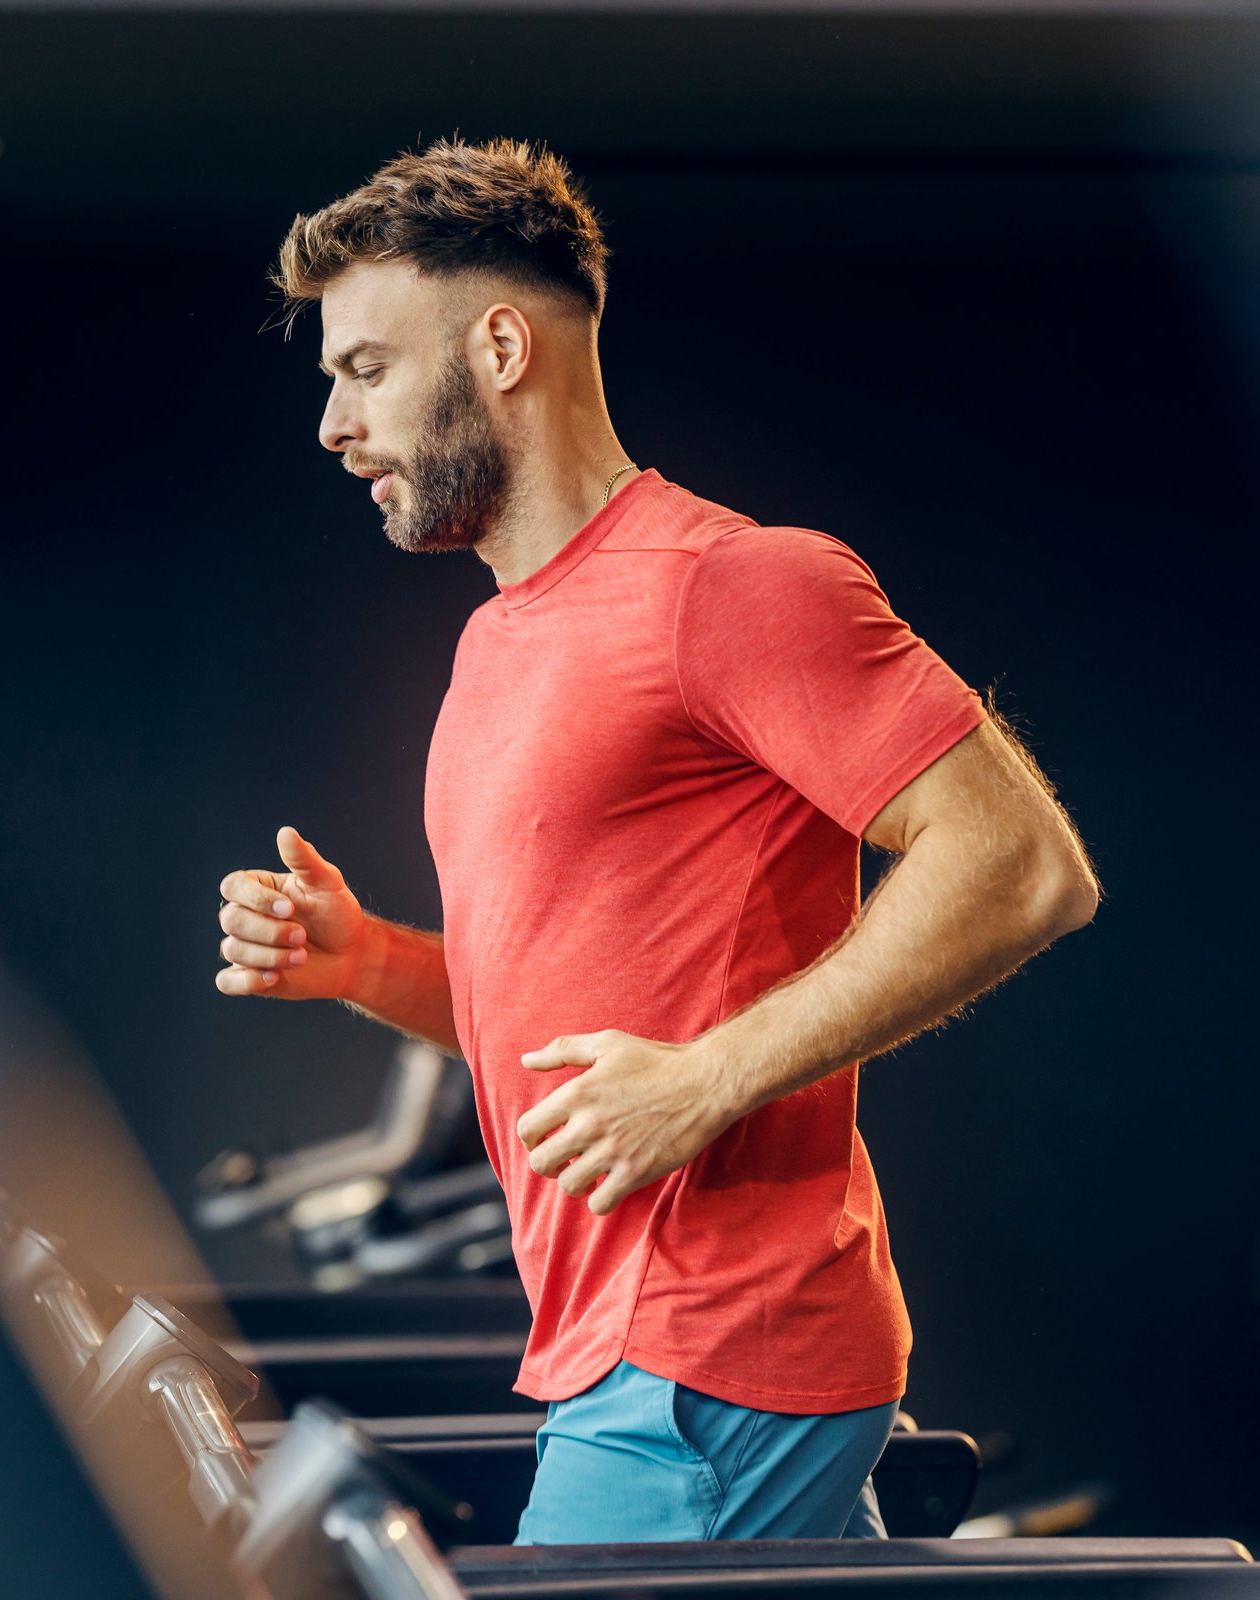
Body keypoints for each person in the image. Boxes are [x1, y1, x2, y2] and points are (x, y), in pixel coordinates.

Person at [214, 138, 1099, 1545]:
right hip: (631, 1356)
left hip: (702, 1356)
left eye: (365, 369)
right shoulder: (496, 648)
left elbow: (1020, 861)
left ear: (499, 346)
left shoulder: (728, 586)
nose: (332, 421)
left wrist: (707, 1082)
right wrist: (371, 962)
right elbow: (564, 1027)